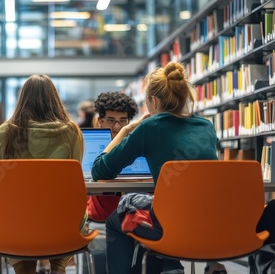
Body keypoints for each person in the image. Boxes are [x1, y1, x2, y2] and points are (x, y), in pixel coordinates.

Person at [91, 62, 221, 274]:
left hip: (168, 224)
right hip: (208, 220)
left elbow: (100, 170)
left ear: (153, 100)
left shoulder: (150, 126)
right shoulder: (206, 126)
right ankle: (170, 265)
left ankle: (165, 263)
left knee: (117, 218)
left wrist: (125, 131)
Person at [0, 74, 84, 274]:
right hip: (61, 222)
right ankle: (58, 267)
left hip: (16, 222)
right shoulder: (71, 132)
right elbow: (75, 180)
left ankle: (24, 267)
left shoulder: (3, 134)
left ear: (22, 99)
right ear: (55, 100)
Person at [87, 91, 138, 223]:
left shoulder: (137, 145)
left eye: (122, 121)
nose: (117, 127)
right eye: (111, 120)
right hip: (99, 217)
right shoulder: (89, 144)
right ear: (100, 121)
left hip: (131, 218)